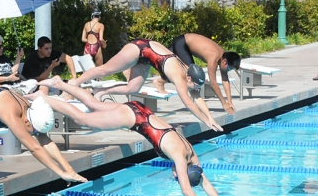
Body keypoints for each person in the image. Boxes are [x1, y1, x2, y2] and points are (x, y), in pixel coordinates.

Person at [39, 76, 239, 196]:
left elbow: (204, 180)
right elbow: (187, 190)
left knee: (93, 105)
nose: (174, 176)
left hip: (140, 109)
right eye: (177, 177)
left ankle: (60, 84)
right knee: (82, 119)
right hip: (133, 118)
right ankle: (42, 99)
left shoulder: (190, 153)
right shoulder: (179, 157)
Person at [69, 38, 223, 132]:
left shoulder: (189, 76)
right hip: (139, 48)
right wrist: (205, 121)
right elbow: (189, 103)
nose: (196, 90)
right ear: (189, 78)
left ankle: (99, 90)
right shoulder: (179, 77)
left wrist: (210, 117)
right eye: (195, 86)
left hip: (147, 58)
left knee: (133, 88)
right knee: (104, 70)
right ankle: (74, 83)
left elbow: (196, 96)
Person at [153, 34, 241, 115]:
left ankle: (160, 82)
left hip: (184, 43)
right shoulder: (214, 59)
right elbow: (213, 84)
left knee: (171, 68)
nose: (228, 71)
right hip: (182, 44)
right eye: (229, 68)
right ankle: (192, 104)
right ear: (225, 61)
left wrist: (230, 102)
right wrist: (224, 103)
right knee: (191, 75)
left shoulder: (223, 57)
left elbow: (225, 79)